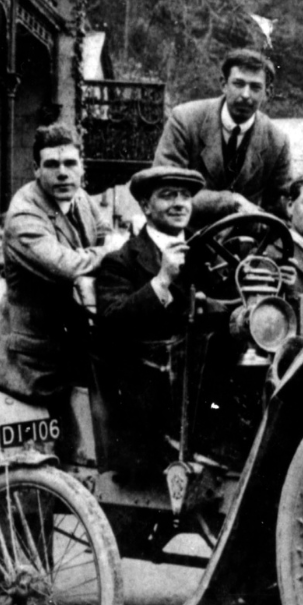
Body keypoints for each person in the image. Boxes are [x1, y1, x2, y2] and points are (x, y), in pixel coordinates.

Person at [0, 123, 113, 402]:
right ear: (36, 169)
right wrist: (109, 252)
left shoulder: (81, 198)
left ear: (82, 167)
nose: (62, 173)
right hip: (34, 359)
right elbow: (68, 265)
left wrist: (108, 248)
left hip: (75, 341)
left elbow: (106, 234)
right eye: (51, 164)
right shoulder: (24, 214)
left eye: (70, 163)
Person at [93, 167, 206, 475]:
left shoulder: (205, 253)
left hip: (199, 383)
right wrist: (162, 279)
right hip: (147, 394)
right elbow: (113, 321)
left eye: (185, 196)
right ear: (145, 206)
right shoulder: (121, 260)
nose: (179, 203)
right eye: (168, 196)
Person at [153, 48, 293, 220]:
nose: (245, 95)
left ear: (268, 92)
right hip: (183, 231)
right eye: (238, 84)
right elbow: (165, 188)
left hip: (245, 236)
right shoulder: (185, 120)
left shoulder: (277, 142)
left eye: (255, 87)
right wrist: (231, 202)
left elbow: (280, 207)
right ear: (223, 84)